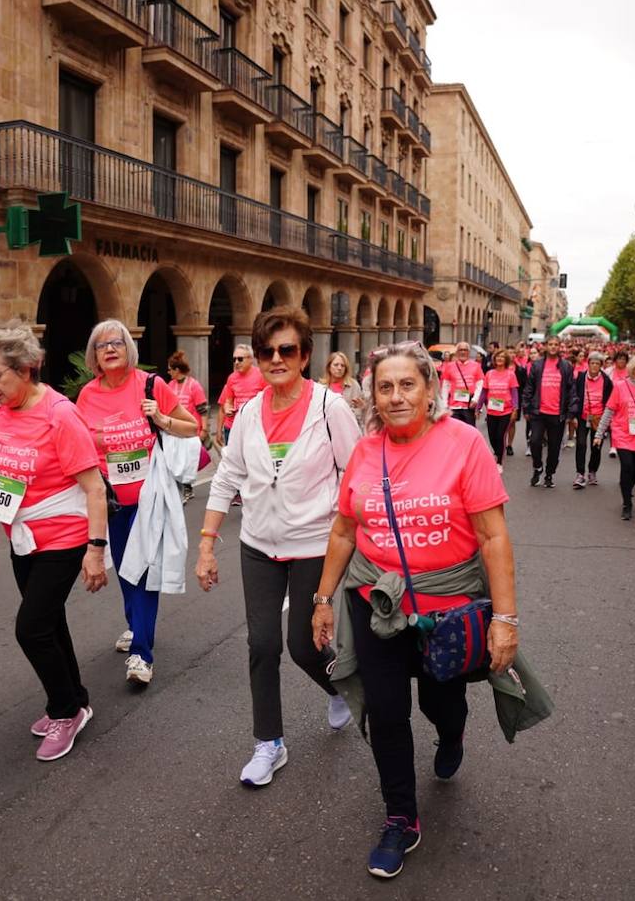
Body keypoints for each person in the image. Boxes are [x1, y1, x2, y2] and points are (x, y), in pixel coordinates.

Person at [309, 341, 530, 880]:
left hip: (446, 611)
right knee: (386, 711)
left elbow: (493, 536)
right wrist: (322, 599)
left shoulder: (464, 443)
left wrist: (505, 619)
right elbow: (344, 529)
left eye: (408, 385)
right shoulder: (366, 451)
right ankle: (401, 817)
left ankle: (453, 732)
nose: (396, 396)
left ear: (430, 391)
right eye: (385, 387)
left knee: (441, 701)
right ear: (373, 396)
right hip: (375, 602)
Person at [197, 307, 361, 787]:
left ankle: (339, 686)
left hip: (315, 546)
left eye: (287, 349)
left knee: (304, 645)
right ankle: (268, 743)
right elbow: (227, 476)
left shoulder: (330, 409)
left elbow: (356, 478)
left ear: (305, 354)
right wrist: (207, 544)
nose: (276, 359)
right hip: (258, 547)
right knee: (263, 645)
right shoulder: (249, 412)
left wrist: (356, 541)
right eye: (267, 351)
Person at [0, 324, 109, 762]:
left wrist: (94, 552)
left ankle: (64, 712)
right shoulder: (3, 414)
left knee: (31, 628)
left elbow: (94, 489)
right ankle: (76, 698)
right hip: (22, 537)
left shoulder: (61, 415)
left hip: (64, 537)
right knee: (51, 623)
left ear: (25, 369)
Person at [76, 320, 197, 685]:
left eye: (117, 342)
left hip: (149, 497)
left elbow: (192, 427)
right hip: (109, 500)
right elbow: (81, 445)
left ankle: (141, 654)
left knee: (143, 572)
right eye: (101, 345)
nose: (110, 348)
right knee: (125, 571)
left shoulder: (150, 385)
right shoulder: (87, 396)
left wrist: (160, 418)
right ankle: (136, 626)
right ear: (94, 356)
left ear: (129, 348)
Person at [593, 353, 635, 520]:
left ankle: (627, 490)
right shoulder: (620, 386)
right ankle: (627, 503)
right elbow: (609, 411)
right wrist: (599, 434)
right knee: (627, 466)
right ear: (633, 369)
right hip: (622, 434)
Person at [521, 336, 574, 488]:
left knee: (554, 447)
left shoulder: (566, 366)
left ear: (559, 347)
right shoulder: (537, 365)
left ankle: (549, 474)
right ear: (545, 346)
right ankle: (538, 467)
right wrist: (526, 407)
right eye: (550, 344)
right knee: (535, 441)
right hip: (538, 412)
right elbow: (529, 388)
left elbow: (571, 390)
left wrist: (571, 412)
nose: (553, 347)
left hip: (557, 414)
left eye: (556, 344)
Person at [166, 351, 208, 504]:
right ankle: (179, 489)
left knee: (187, 460)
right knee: (176, 459)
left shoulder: (193, 385)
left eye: (170, 369)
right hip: (175, 430)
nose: (168, 372)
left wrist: (204, 429)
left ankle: (187, 489)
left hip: (190, 430)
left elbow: (202, 409)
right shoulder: (169, 386)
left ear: (177, 370)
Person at [570, 351, 612, 489]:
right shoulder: (581, 378)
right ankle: (580, 474)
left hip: (598, 418)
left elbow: (610, 400)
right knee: (581, 444)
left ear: (601, 365)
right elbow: (574, 396)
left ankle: (592, 471)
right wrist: (574, 415)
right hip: (583, 416)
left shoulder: (606, 380)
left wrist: (607, 419)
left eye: (597, 364)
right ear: (588, 364)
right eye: (592, 363)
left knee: (596, 446)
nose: (594, 366)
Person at [218, 344, 265, 445]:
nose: (236, 362)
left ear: (251, 359)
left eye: (240, 359)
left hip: (253, 427)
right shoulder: (231, 378)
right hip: (232, 426)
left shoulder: (262, 376)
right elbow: (228, 401)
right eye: (234, 359)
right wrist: (227, 408)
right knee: (232, 460)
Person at [482, 349, 519, 469]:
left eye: (502, 357)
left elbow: (514, 393)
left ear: (506, 360)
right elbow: (484, 392)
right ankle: (496, 453)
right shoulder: (489, 374)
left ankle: (499, 461)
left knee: (500, 435)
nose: (500, 359)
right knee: (492, 436)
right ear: (494, 359)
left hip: (506, 411)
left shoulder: (510, 374)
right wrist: (478, 407)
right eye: (498, 357)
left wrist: (515, 409)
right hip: (492, 410)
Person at [438, 342, 484, 426]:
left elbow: (480, 385)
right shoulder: (449, 366)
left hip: (469, 406)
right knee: (454, 431)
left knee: (469, 431)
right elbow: (445, 386)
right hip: (453, 406)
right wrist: (444, 404)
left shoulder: (476, 366)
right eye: (460, 350)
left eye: (465, 350)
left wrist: (475, 399)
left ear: (468, 352)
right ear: (457, 352)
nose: (463, 352)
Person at [319, 351, 365, 419]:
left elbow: (360, 410)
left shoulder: (353, 385)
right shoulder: (321, 387)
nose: (339, 368)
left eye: (342, 366)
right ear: (329, 367)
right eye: (336, 365)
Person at [605, 349, 630, 458]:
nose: (621, 361)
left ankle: (624, 444)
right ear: (615, 360)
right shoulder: (608, 371)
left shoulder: (630, 371)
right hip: (612, 401)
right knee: (613, 424)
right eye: (619, 358)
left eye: (624, 359)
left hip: (627, 403)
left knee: (625, 424)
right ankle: (613, 446)